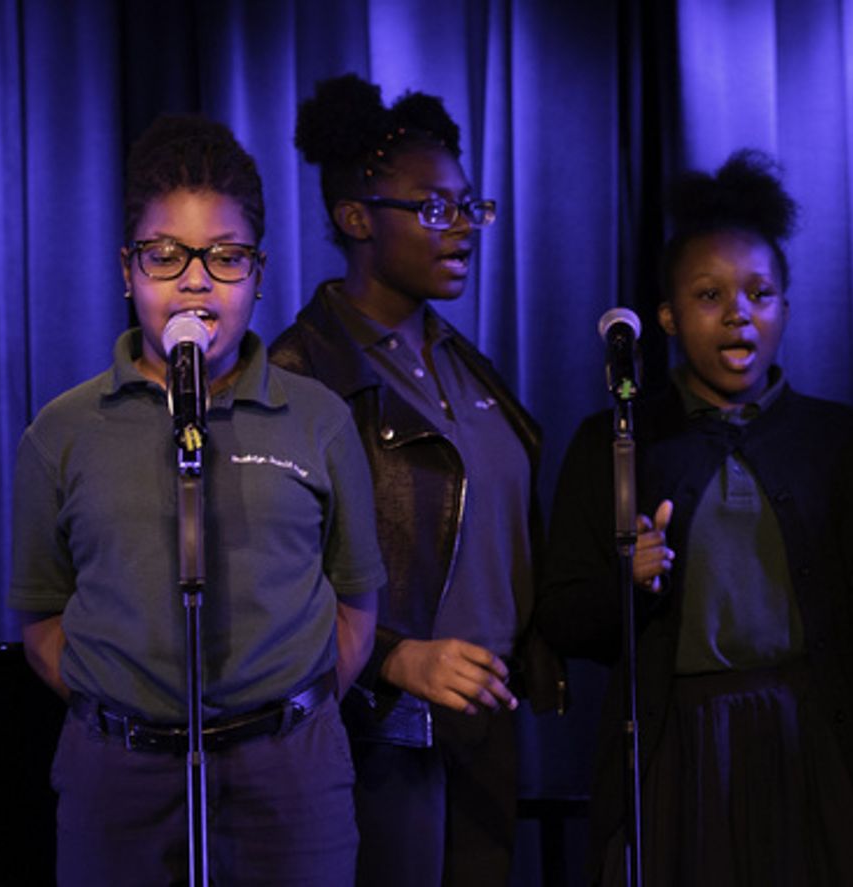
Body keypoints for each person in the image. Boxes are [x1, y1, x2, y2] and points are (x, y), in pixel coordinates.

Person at [9, 114, 383, 885]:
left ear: (258, 270)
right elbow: (41, 612)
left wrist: (283, 719)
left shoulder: (319, 419)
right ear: (127, 268)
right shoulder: (64, 428)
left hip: (290, 778)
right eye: (165, 254)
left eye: (225, 256)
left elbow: (356, 603)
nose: (194, 278)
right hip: (118, 777)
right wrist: (120, 708)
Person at [539, 150, 853, 886]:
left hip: (809, 747)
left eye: (761, 293)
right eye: (709, 295)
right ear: (668, 318)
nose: (739, 312)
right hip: (674, 752)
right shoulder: (618, 439)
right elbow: (561, 616)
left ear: (785, 306)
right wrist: (627, 582)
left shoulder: (843, 440)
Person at [270, 73, 564, 887]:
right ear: (356, 218)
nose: (464, 227)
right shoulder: (300, 376)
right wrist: (392, 661)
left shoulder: (469, 367)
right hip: (372, 740)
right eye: (434, 207)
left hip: (482, 733)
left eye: (471, 205)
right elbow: (266, 585)